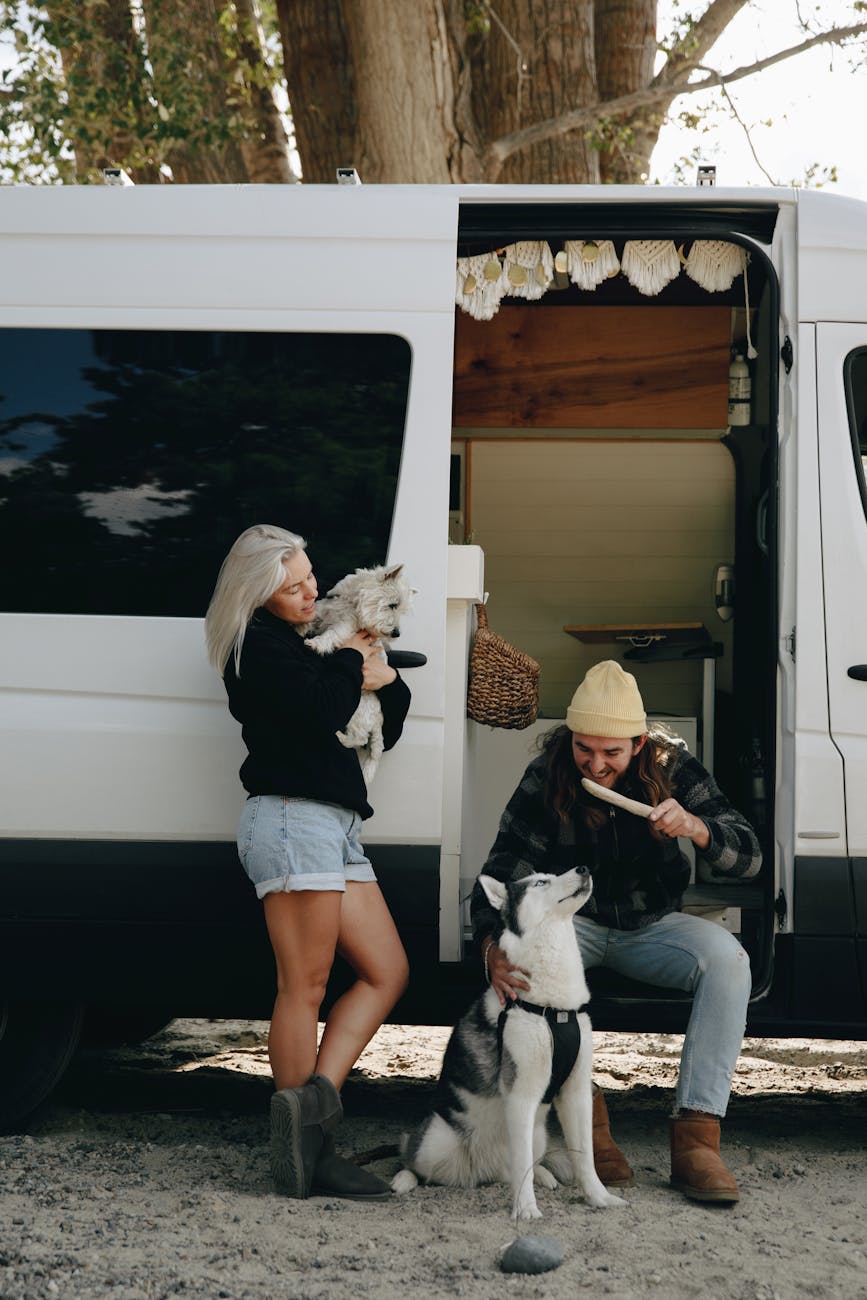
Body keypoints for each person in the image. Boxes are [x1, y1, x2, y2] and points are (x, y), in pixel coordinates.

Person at [471, 659, 761, 1205]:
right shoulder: (548, 773)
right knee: (517, 958)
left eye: (612, 752)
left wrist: (697, 828)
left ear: (638, 743)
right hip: (570, 928)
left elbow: (749, 858)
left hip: (651, 925)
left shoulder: (673, 765)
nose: (596, 764)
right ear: (570, 738)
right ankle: (589, 1127)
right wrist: (490, 947)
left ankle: (697, 1136)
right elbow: (503, 869)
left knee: (729, 961)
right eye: (585, 748)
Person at [205, 524, 411, 1202]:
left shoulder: (303, 642)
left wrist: (382, 676)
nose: (311, 593)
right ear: (260, 591)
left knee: (387, 971)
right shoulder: (255, 648)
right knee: (305, 987)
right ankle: (307, 1151)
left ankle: (312, 1107)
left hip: (334, 824)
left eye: (311, 579)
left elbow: (385, 714)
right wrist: (354, 661)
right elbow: (325, 708)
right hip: (292, 820)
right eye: (294, 587)